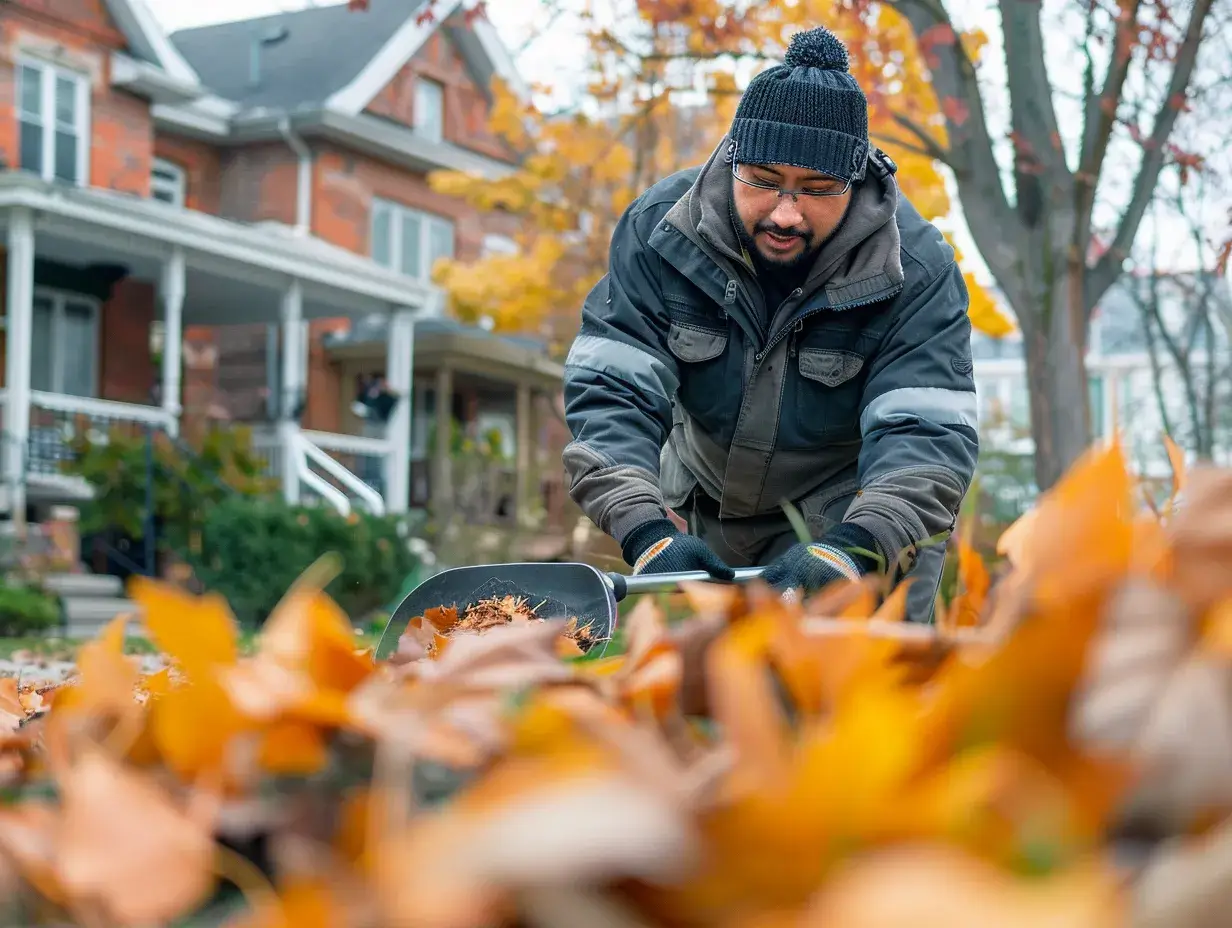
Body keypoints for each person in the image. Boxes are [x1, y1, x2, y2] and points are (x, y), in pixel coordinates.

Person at [561, 26, 979, 620]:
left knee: (870, 701)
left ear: (854, 179)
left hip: (860, 528)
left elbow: (927, 437)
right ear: (733, 159)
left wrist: (854, 550)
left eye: (816, 190)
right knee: (711, 700)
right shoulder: (660, 232)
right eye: (762, 181)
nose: (785, 213)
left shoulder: (917, 269)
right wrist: (645, 530)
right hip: (704, 519)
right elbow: (611, 394)